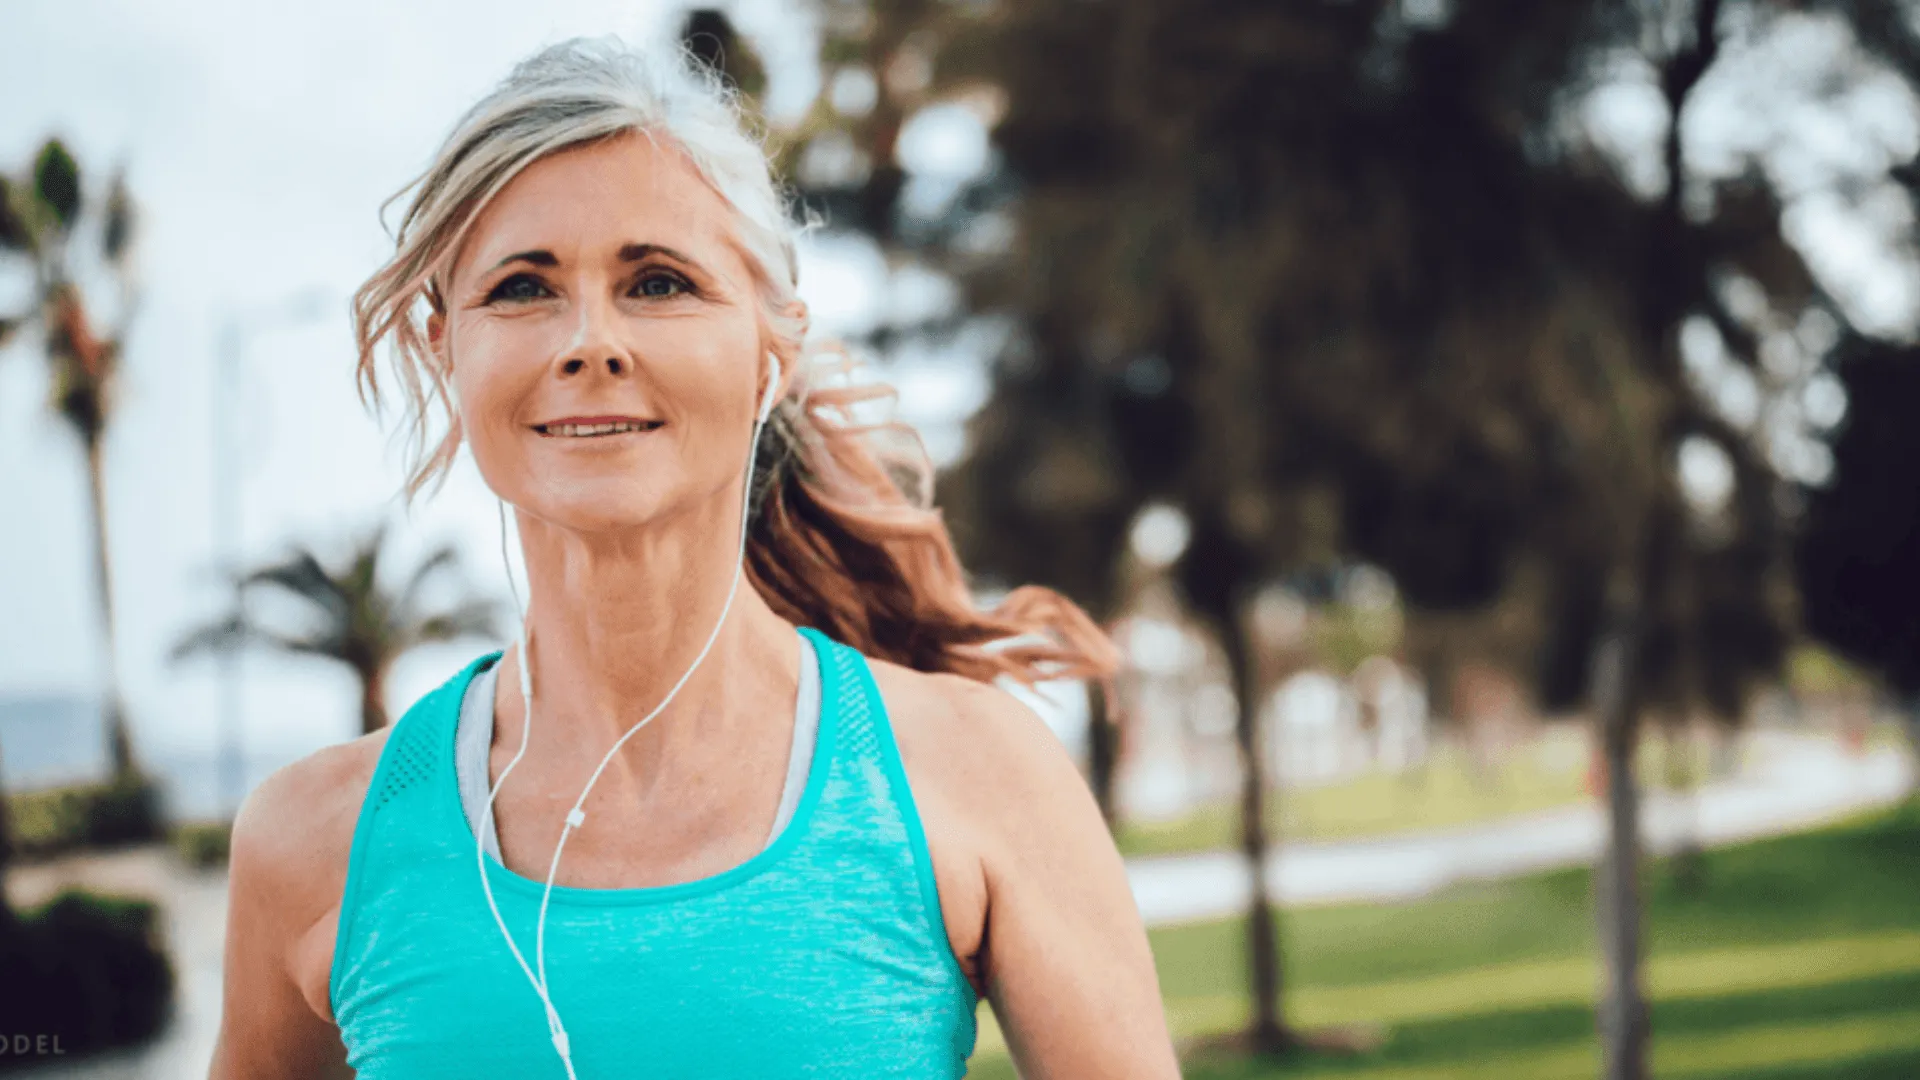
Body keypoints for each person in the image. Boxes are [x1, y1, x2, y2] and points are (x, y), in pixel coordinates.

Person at [209, 36, 1180, 1079]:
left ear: (773, 351)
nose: (589, 341)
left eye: (659, 282)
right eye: (523, 288)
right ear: (444, 347)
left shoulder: (978, 777)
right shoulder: (314, 845)